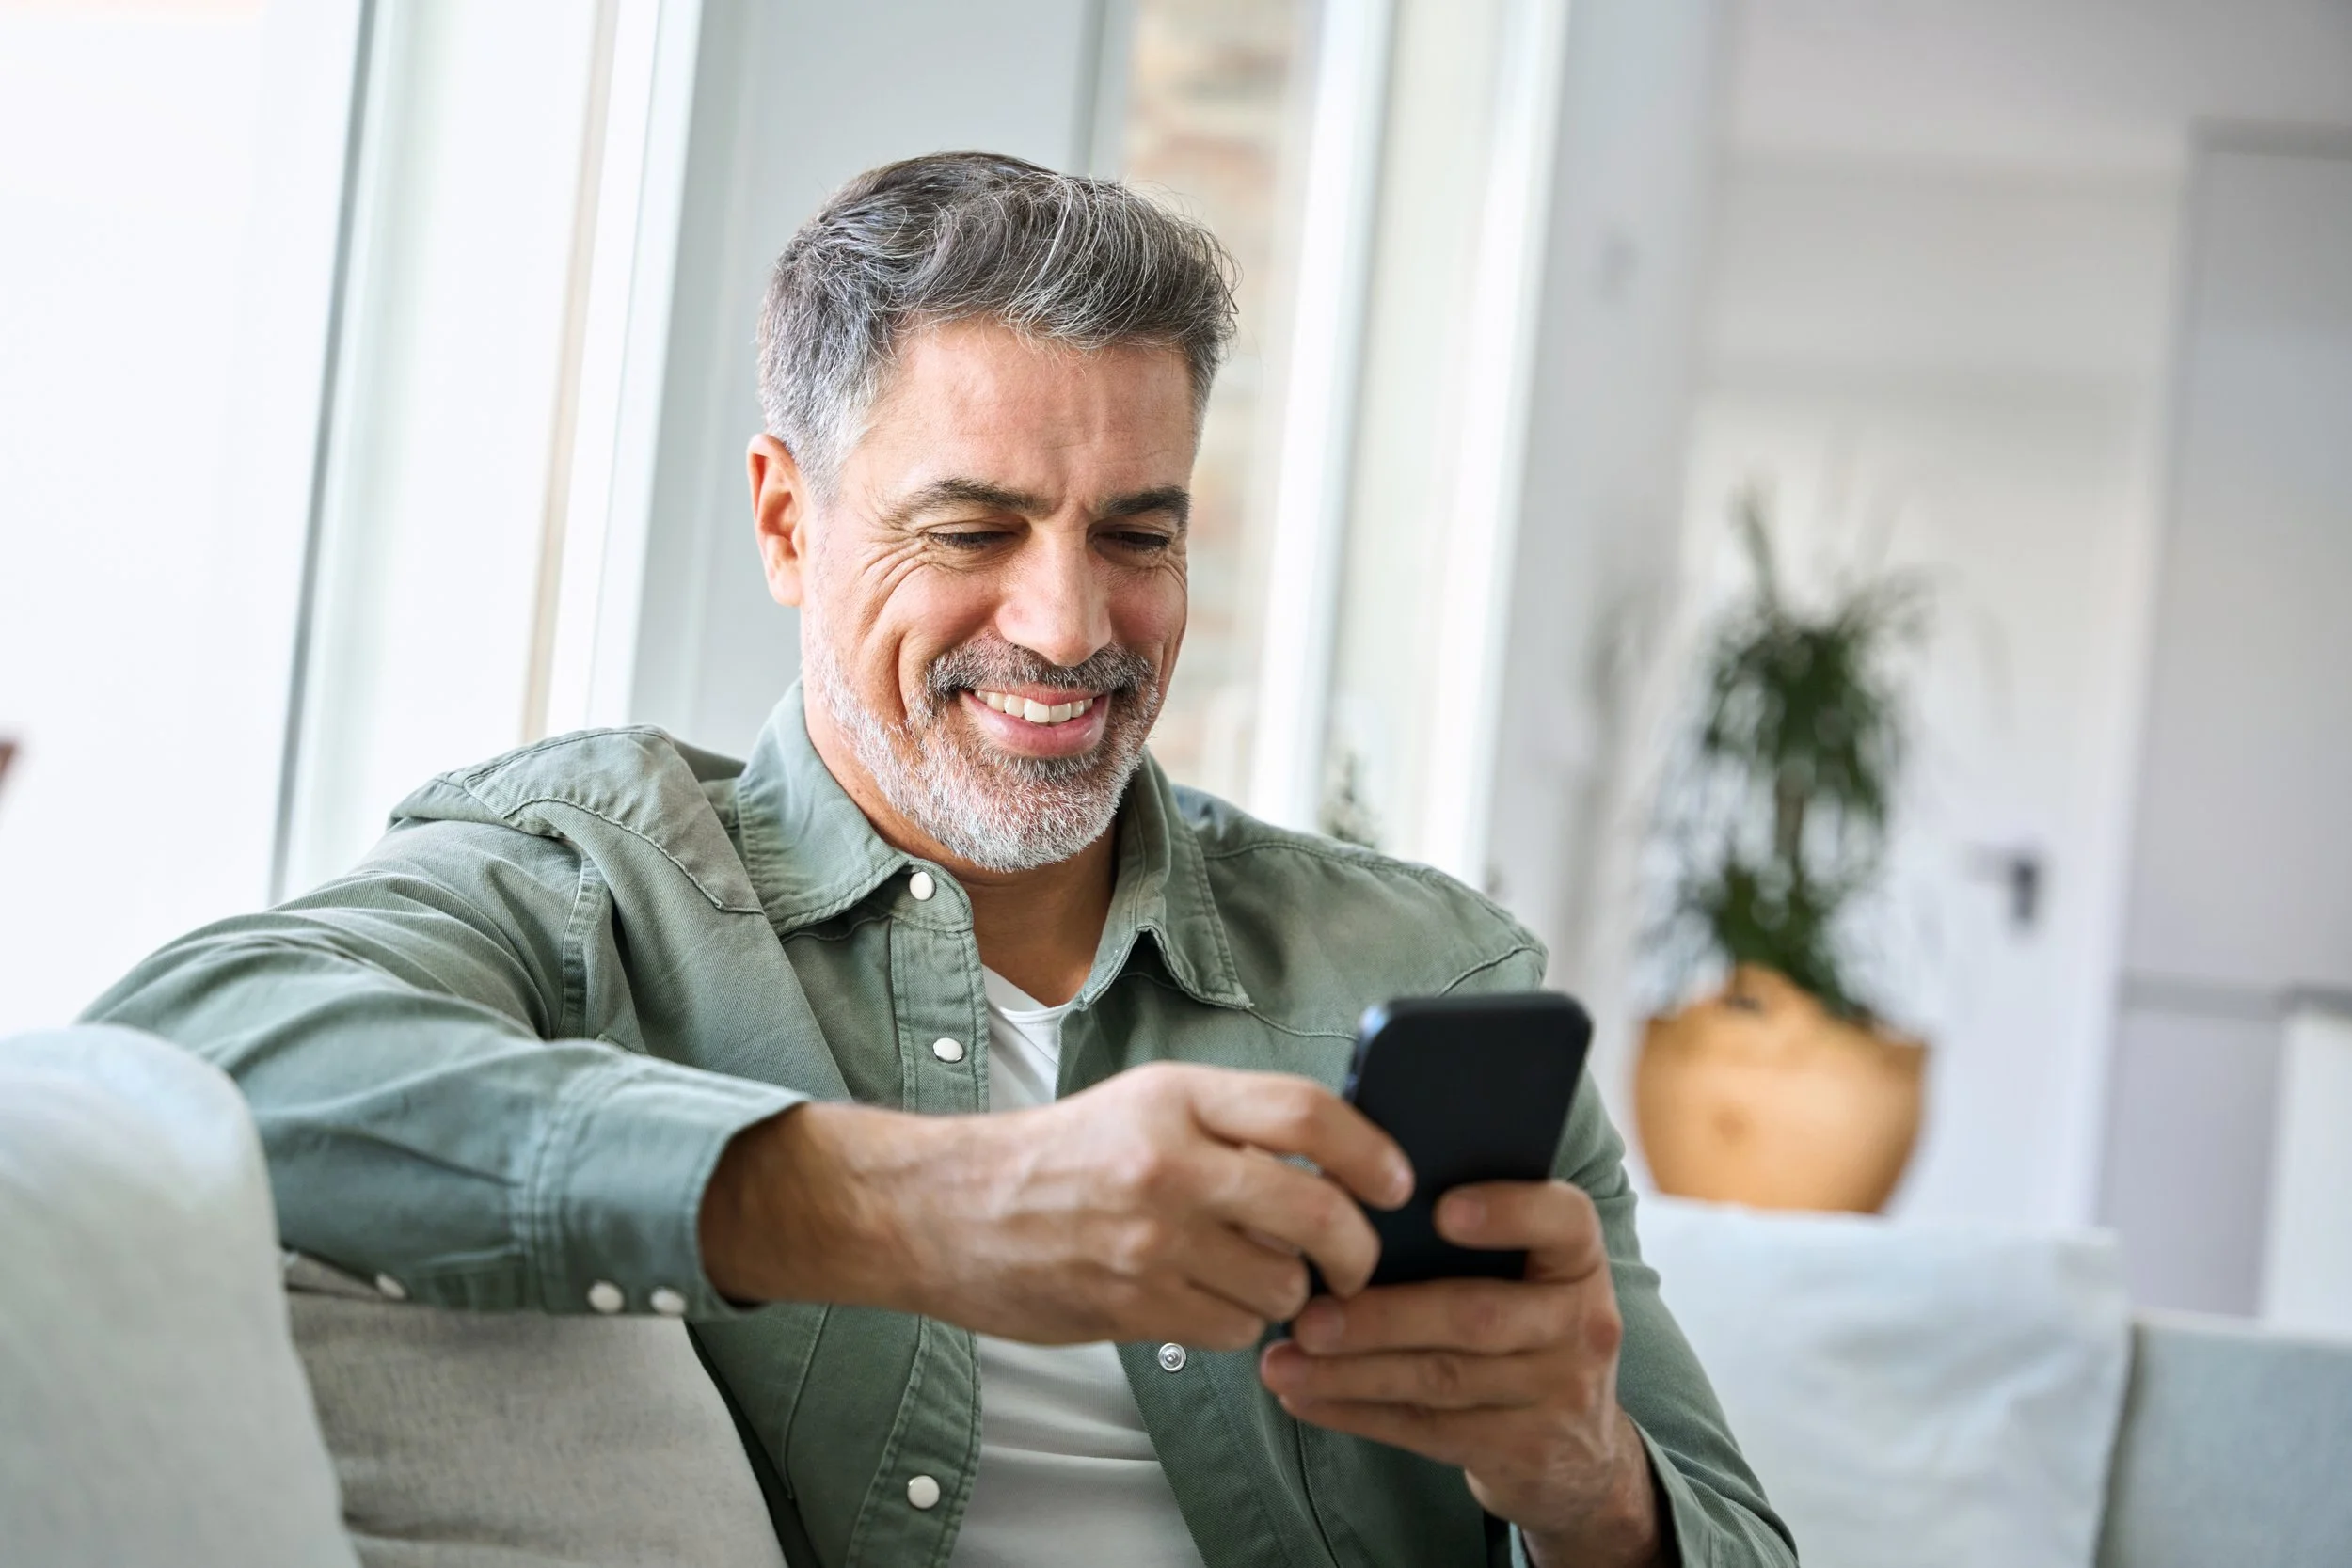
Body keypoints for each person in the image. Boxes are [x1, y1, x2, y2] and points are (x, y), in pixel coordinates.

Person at [91, 152, 1793, 1568]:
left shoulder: (1428, 967)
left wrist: (1590, 1487)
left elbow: (1728, 1530)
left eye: (1140, 535)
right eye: (971, 531)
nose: (1068, 626)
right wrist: (919, 1208)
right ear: (785, 519)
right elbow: (179, 1055)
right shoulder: (598, 881)